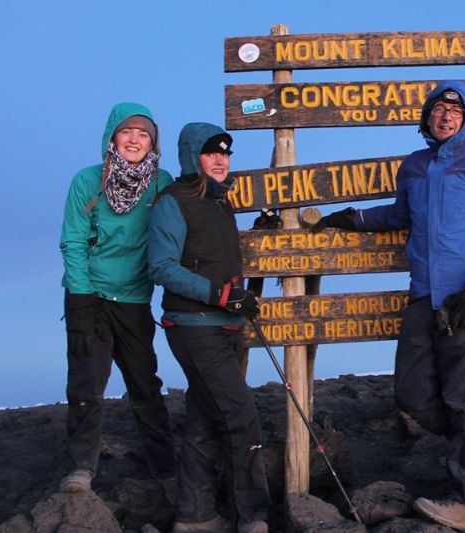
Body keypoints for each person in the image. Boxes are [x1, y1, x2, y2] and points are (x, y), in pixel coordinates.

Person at [312, 81, 465, 533]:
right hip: (423, 296)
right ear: (427, 117)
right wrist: (351, 218)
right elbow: (398, 216)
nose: (445, 116)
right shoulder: (414, 166)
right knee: (410, 394)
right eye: (438, 109)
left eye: (455, 109)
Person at [148, 122, 270, 533]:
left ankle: (194, 515)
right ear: (191, 155)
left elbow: (214, 254)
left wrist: (257, 236)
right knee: (241, 415)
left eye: (226, 153)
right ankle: (253, 515)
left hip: (226, 325)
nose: (220, 159)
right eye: (211, 152)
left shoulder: (221, 202)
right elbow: (163, 266)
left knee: (203, 418)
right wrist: (222, 296)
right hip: (193, 326)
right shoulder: (173, 201)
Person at [59, 102, 176, 494]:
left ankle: (165, 467)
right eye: (127, 132)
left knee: (145, 384)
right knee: (86, 386)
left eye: (143, 134)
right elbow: (73, 239)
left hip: (135, 299)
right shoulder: (87, 180)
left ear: (152, 144)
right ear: (112, 136)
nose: (134, 139)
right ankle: (81, 469)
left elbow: (175, 233)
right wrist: (80, 296)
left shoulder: (162, 182)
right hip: (89, 295)